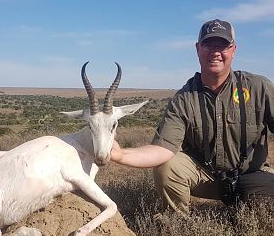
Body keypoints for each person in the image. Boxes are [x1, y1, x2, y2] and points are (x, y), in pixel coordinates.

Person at [111, 19, 274, 216]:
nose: (215, 52)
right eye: (208, 44)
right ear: (198, 49)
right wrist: (119, 155)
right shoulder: (184, 98)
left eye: (222, 45)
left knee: (262, 210)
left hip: (251, 176)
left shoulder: (258, 87)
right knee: (167, 166)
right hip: (205, 177)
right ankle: (177, 224)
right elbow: (162, 150)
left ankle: (246, 211)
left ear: (233, 49)